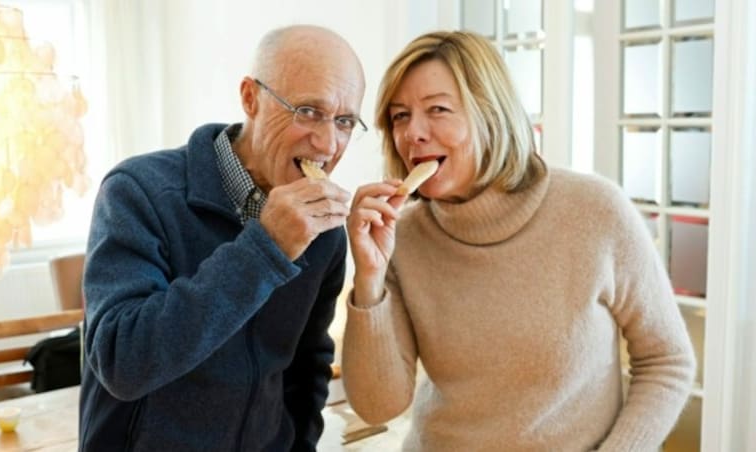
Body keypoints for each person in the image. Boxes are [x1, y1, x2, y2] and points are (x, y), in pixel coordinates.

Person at [342, 30, 696, 451]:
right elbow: (377, 406)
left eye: (437, 109)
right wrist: (368, 278)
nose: (413, 133)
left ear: (491, 114)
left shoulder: (595, 211)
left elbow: (667, 361)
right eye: (400, 116)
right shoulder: (403, 237)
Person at [79, 25, 366, 451]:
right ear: (251, 97)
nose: (327, 143)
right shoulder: (137, 191)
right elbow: (122, 361)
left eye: (344, 121)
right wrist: (265, 250)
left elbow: (309, 368)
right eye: (307, 111)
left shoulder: (323, 234)